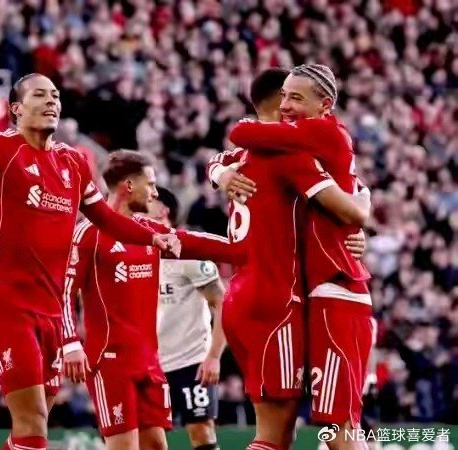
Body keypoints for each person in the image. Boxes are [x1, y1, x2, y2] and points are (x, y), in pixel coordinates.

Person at [0, 73, 179, 450]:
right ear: (16, 109)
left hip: (50, 312)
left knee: (32, 428)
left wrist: (152, 236)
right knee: (33, 423)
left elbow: (105, 218)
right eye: (40, 95)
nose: (52, 101)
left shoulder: (73, 162)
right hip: (6, 304)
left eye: (56, 95)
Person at [206, 68, 370, 450]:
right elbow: (354, 204)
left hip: (280, 294)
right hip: (284, 300)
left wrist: (218, 173)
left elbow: (230, 145)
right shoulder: (290, 157)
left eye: (295, 97)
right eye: (285, 96)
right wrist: (362, 206)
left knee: (319, 429)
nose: (288, 105)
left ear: (323, 105)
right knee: (304, 432)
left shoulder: (242, 159)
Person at [61, 150, 245, 450]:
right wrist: (70, 343)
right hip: (111, 362)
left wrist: (245, 250)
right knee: (124, 447)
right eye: (150, 184)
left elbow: (192, 241)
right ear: (128, 186)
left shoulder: (147, 231)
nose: (156, 192)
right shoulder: (88, 234)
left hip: (149, 361)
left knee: (157, 445)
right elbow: (64, 293)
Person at [151, 186, 226, 450]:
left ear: (163, 211)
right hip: (149, 364)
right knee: (150, 438)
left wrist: (213, 356)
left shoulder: (189, 252)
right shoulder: (134, 253)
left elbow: (222, 304)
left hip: (190, 363)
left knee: (202, 433)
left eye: (149, 200)